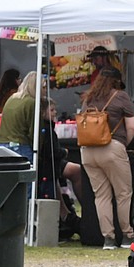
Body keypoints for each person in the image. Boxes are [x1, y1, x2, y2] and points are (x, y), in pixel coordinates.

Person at [79, 68, 134, 250]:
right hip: (111, 147)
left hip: (87, 150)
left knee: (101, 196)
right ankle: (128, 236)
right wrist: (122, 144)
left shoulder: (88, 98)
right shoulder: (120, 96)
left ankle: (108, 239)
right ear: (117, 81)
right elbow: (132, 127)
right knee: (123, 194)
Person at [37, 98, 83, 239]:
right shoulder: (47, 130)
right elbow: (52, 152)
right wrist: (64, 152)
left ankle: (67, 213)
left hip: (53, 166)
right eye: (51, 110)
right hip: (49, 166)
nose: (55, 112)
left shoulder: (47, 129)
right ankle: (68, 214)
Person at [0, 71, 39, 163]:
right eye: (43, 87)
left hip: (3, 146)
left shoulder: (12, 98)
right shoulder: (31, 102)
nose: (45, 90)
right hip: (20, 146)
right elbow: (34, 132)